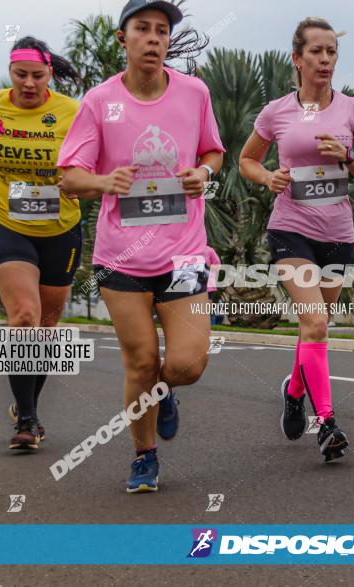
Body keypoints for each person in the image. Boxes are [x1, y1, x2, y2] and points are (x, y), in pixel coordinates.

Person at [58, 0, 224, 493]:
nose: (153, 38)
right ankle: (144, 456)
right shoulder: (98, 101)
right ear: (122, 38)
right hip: (120, 257)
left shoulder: (194, 92)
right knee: (139, 359)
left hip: (185, 252)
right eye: (142, 29)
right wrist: (106, 181)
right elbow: (69, 177)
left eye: (162, 31)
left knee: (186, 364)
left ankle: (163, 392)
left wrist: (204, 172)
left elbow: (213, 150)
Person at [239, 16, 354, 461]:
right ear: (297, 58)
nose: (325, 60)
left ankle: (293, 391)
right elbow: (246, 160)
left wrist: (349, 156)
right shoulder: (277, 111)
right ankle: (327, 424)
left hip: (337, 234)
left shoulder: (353, 110)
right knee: (316, 322)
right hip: (290, 229)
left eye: (331, 52)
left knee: (312, 327)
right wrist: (268, 178)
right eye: (316, 52)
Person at [0, 36, 82, 450]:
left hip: (61, 227)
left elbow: (93, 157)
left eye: (37, 76)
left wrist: (80, 179)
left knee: (45, 328)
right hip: (5, 221)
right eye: (20, 74)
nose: (28, 83)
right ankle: (27, 420)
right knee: (24, 315)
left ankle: (26, 402)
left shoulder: (71, 112)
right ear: (10, 71)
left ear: (50, 75)